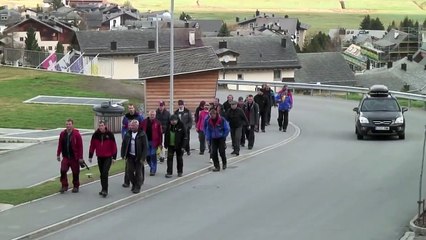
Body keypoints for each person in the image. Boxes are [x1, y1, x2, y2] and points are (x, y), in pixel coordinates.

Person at [88, 120, 117, 197]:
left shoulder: (110, 134)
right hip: (100, 157)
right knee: (101, 174)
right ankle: (103, 188)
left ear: (105, 126)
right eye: (99, 125)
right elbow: (92, 146)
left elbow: (114, 146)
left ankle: (105, 190)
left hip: (108, 157)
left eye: (102, 125)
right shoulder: (95, 135)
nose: (101, 127)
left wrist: (114, 157)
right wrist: (90, 156)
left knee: (105, 173)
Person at [56, 118, 84, 194]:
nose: (68, 126)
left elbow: (80, 147)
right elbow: (60, 145)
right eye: (67, 124)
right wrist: (58, 154)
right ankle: (64, 186)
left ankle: (76, 186)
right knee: (63, 170)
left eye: (69, 124)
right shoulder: (62, 134)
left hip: (74, 157)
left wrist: (80, 157)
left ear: (72, 125)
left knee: (75, 172)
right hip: (65, 157)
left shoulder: (77, 134)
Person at [121, 120, 148, 194]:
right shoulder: (128, 134)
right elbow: (124, 144)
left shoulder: (142, 134)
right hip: (130, 156)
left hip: (138, 157)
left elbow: (145, 147)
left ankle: (137, 187)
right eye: (131, 125)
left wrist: (143, 157)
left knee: (138, 172)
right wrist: (123, 154)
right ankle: (134, 184)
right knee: (129, 172)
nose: (132, 127)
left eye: (133, 126)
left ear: (137, 126)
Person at [121, 103, 144, 188]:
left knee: (139, 167)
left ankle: (140, 181)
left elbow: (142, 128)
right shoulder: (126, 117)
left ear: (134, 108)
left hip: (138, 141)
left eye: (132, 108)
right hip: (128, 141)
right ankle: (127, 182)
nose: (130, 109)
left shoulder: (139, 117)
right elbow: (123, 128)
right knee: (128, 166)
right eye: (129, 108)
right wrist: (124, 136)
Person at [141, 110, 163, 176]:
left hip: (154, 142)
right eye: (151, 114)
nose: (152, 116)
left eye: (153, 114)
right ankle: (151, 166)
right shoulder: (144, 122)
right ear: (148, 114)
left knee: (153, 155)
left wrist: (160, 143)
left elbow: (160, 134)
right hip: (146, 141)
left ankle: (153, 170)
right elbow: (140, 130)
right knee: (147, 156)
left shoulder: (158, 123)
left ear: (155, 115)